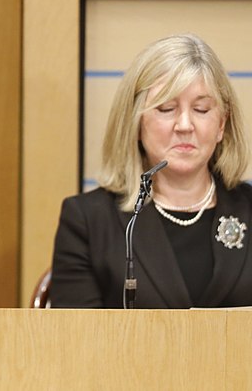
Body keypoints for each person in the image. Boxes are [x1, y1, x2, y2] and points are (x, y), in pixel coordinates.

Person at [51, 33, 252, 308]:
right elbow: (78, 343)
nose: (184, 125)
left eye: (201, 110)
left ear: (221, 125)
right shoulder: (88, 221)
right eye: (167, 108)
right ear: (135, 123)